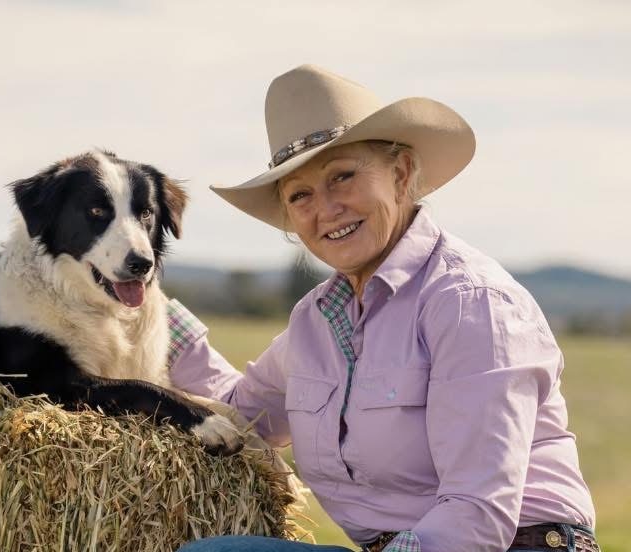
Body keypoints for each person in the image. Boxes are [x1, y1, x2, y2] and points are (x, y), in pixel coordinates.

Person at [168, 65, 598, 552]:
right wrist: (144, 312)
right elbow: (240, 417)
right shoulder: (315, 322)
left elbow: (478, 516)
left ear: (400, 174)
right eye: (301, 195)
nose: (326, 209)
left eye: (343, 176)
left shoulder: (468, 301)